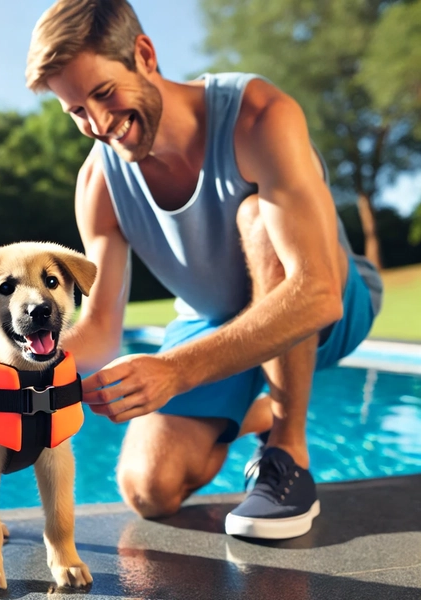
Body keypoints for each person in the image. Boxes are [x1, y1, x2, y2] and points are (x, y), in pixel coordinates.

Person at [25, 0, 383, 539]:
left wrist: (175, 371)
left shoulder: (257, 116)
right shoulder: (99, 184)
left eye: (103, 93)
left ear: (144, 54)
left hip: (326, 308)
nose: (98, 124)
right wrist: (2, 372)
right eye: (76, 111)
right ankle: (257, 411)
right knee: (149, 489)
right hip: (214, 321)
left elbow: (317, 293)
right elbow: (99, 329)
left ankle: (287, 450)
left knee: (257, 217)